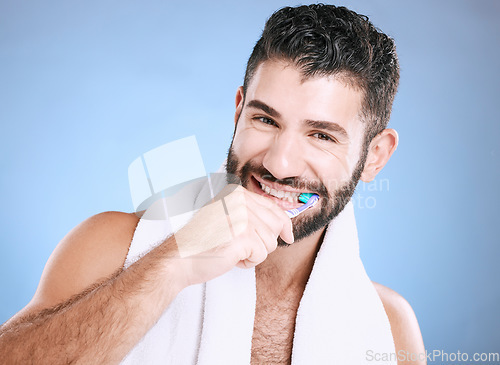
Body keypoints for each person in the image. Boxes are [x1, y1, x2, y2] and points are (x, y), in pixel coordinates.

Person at [0, 4, 425, 364]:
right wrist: (169, 266)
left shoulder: (389, 327)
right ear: (239, 110)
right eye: (265, 119)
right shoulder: (111, 248)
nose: (279, 164)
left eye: (321, 135)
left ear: (375, 155)